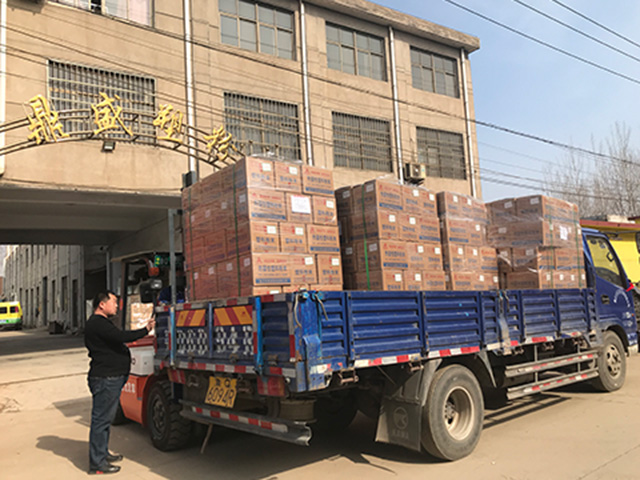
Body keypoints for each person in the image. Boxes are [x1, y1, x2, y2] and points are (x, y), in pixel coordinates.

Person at [84, 290, 155, 475]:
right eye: (114, 302)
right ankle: (97, 464)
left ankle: (102, 454)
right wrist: (145, 330)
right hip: (106, 378)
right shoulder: (98, 324)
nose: (116, 306)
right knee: (101, 421)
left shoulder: (100, 323)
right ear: (102, 304)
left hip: (109, 377)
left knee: (105, 419)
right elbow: (121, 337)